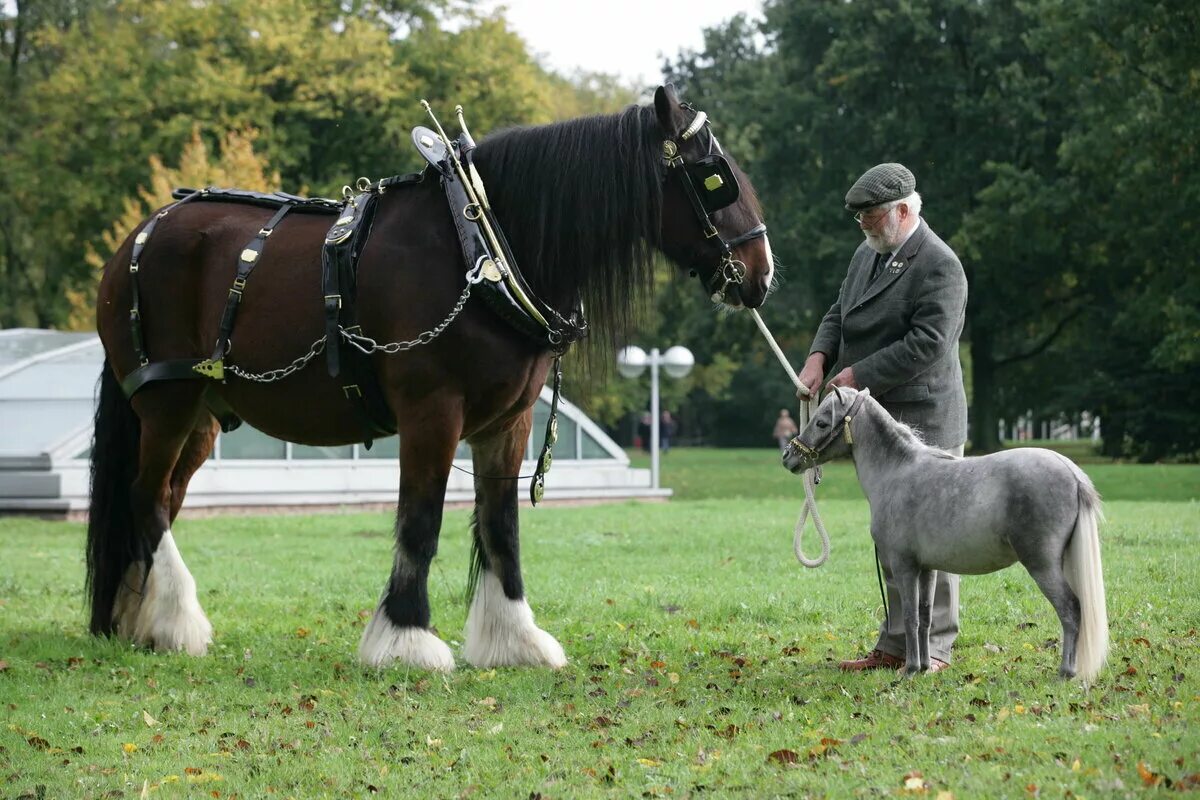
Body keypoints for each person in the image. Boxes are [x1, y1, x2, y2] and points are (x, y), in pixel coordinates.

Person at [797, 162, 968, 674]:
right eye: (860, 218)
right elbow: (839, 311)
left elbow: (930, 345)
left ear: (902, 209)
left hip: (925, 421)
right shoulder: (867, 253)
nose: (864, 225)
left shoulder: (941, 265)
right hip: (878, 426)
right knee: (891, 536)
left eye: (871, 215)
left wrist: (856, 376)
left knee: (934, 539)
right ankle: (895, 645)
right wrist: (818, 356)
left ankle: (933, 647)